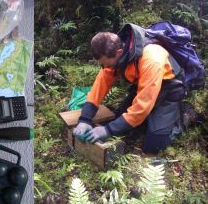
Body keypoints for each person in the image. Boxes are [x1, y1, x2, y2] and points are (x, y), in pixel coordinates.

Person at [73, 24, 187, 154]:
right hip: (145, 86)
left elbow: (142, 107)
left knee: (154, 145)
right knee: (117, 119)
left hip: (170, 88)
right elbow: (99, 86)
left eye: (108, 64)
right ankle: (150, 119)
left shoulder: (151, 58)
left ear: (119, 53)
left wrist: (108, 130)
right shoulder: (114, 54)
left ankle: (186, 116)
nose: (106, 67)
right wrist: (85, 119)